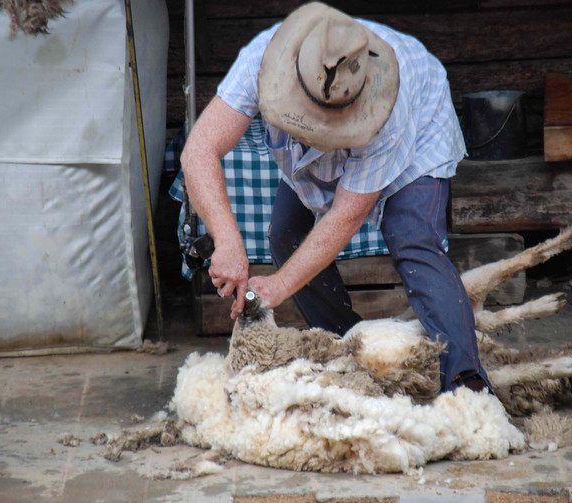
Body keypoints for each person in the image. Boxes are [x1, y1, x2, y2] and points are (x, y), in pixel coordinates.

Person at [180, 2, 490, 392]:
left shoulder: (388, 113)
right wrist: (226, 242)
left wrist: (278, 286)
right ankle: (347, 348)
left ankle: (466, 380)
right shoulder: (261, 60)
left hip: (418, 122)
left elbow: (345, 215)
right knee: (284, 237)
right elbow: (199, 150)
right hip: (318, 135)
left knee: (413, 238)